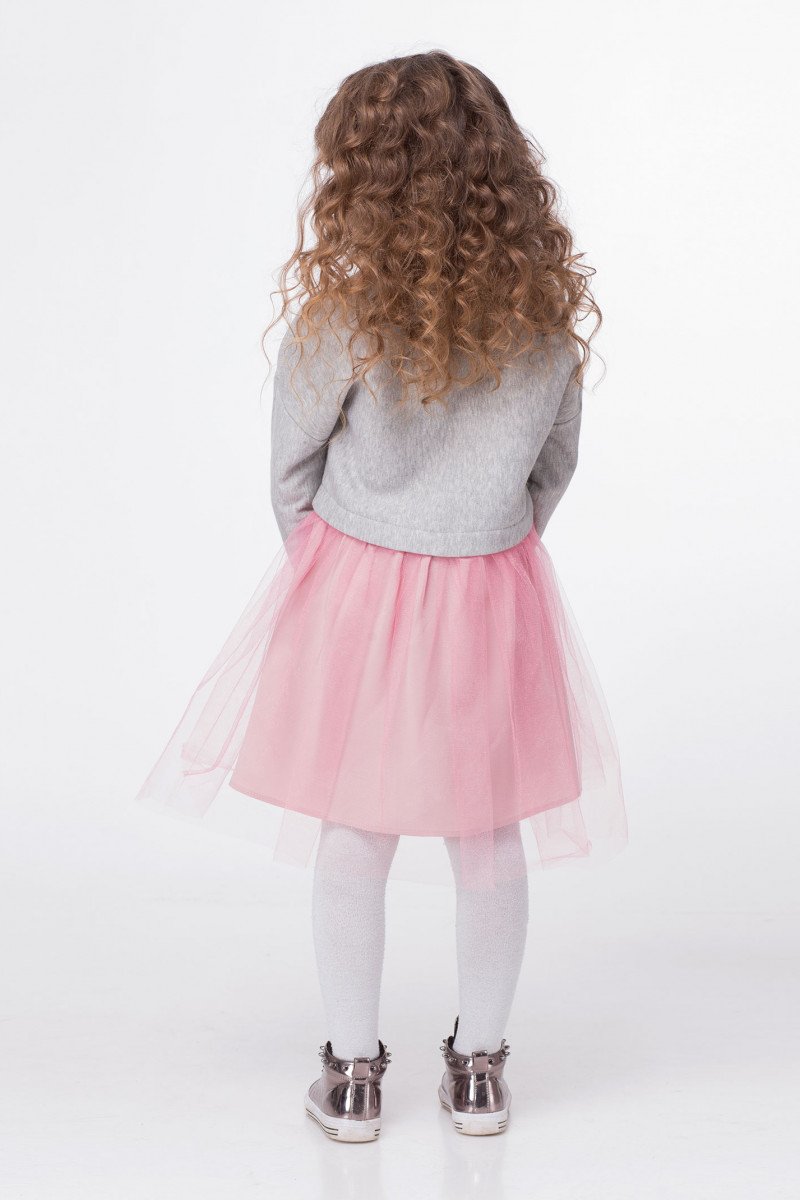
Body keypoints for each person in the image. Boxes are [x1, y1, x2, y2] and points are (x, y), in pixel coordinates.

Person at [135, 48, 628, 1142]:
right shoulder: (544, 322)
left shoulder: (344, 312)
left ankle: (352, 1076)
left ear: (365, 178)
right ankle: (479, 1071)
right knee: (487, 834)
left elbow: (289, 470)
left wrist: (340, 570)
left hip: (355, 584)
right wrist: (478, 544)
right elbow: (552, 471)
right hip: (491, 590)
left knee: (354, 830)